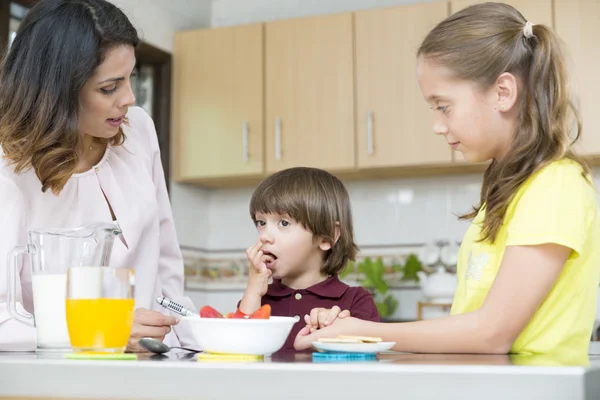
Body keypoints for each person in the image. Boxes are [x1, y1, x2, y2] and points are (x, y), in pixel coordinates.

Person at [294, 2, 600, 356]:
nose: (437, 125)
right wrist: (350, 333)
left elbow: (491, 334)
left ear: (503, 92)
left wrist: (364, 331)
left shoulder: (554, 186)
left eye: (443, 105)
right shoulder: (512, 190)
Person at [0, 0, 194, 352]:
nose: (130, 99)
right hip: (52, 379)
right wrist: (105, 331)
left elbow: (166, 269)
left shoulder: (140, 132)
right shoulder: (8, 170)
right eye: (109, 88)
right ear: (56, 91)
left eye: (130, 78)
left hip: (148, 367)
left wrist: (190, 336)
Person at [238, 167, 380, 352]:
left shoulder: (356, 302)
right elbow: (239, 351)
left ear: (326, 237)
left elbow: (367, 369)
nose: (265, 236)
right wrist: (252, 291)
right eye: (261, 222)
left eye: (284, 223)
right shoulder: (257, 298)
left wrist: (337, 333)